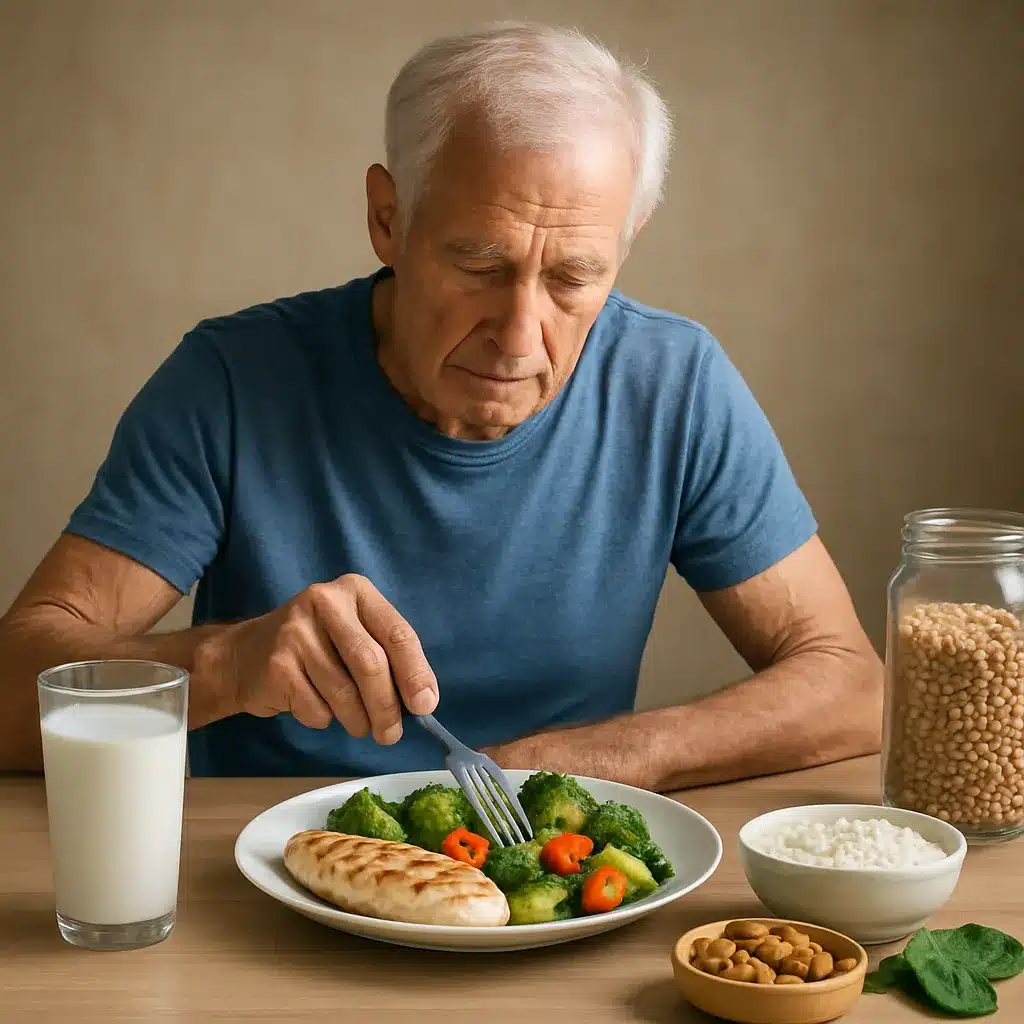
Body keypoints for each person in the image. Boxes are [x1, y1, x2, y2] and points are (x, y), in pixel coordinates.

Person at [0, 22, 882, 787]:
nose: (519, 334)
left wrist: (606, 760)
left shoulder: (675, 383)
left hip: (555, 885)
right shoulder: (232, 380)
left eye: (576, 276)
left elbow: (850, 686)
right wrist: (227, 664)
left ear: (626, 244)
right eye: (480, 265)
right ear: (389, 218)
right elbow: (11, 691)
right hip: (252, 888)